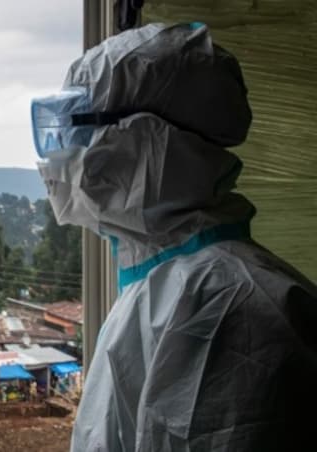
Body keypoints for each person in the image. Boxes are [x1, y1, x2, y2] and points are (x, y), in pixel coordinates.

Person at [31, 22, 317, 451]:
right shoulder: (165, 289)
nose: (56, 156)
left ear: (146, 137)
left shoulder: (228, 309)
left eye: (74, 128)